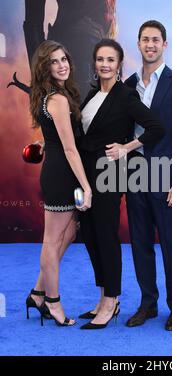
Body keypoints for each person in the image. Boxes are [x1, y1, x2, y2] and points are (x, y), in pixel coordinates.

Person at [78, 38, 164, 330]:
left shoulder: (126, 96)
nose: (105, 64)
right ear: (95, 63)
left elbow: (156, 128)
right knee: (89, 235)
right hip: (85, 173)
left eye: (110, 60)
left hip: (110, 173)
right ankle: (103, 296)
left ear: (119, 64)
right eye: (100, 59)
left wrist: (127, 147)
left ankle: (112, 299)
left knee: (105, 235)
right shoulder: (90, 94)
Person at [125, 20, 172, 331]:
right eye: (145, 39)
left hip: (169, 179)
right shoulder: (127, 85)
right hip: (134, 175)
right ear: (138, 44)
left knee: (171, 244)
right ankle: (147, 304)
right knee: (139, 243)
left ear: (164, 45)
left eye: (155, 40)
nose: (150, 44)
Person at [26, 40, 92, 327]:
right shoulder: (58, 99)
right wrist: (86, 186)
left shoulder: (49, 96)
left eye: (64, 58)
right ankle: (53, 303)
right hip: (62, 174)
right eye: (54, 61)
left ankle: (38, 294)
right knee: (53, 241)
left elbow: (55, 139)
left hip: (57, 171)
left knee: (67, 235)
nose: (62, 64)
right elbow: (69, 148)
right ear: (45, 67)